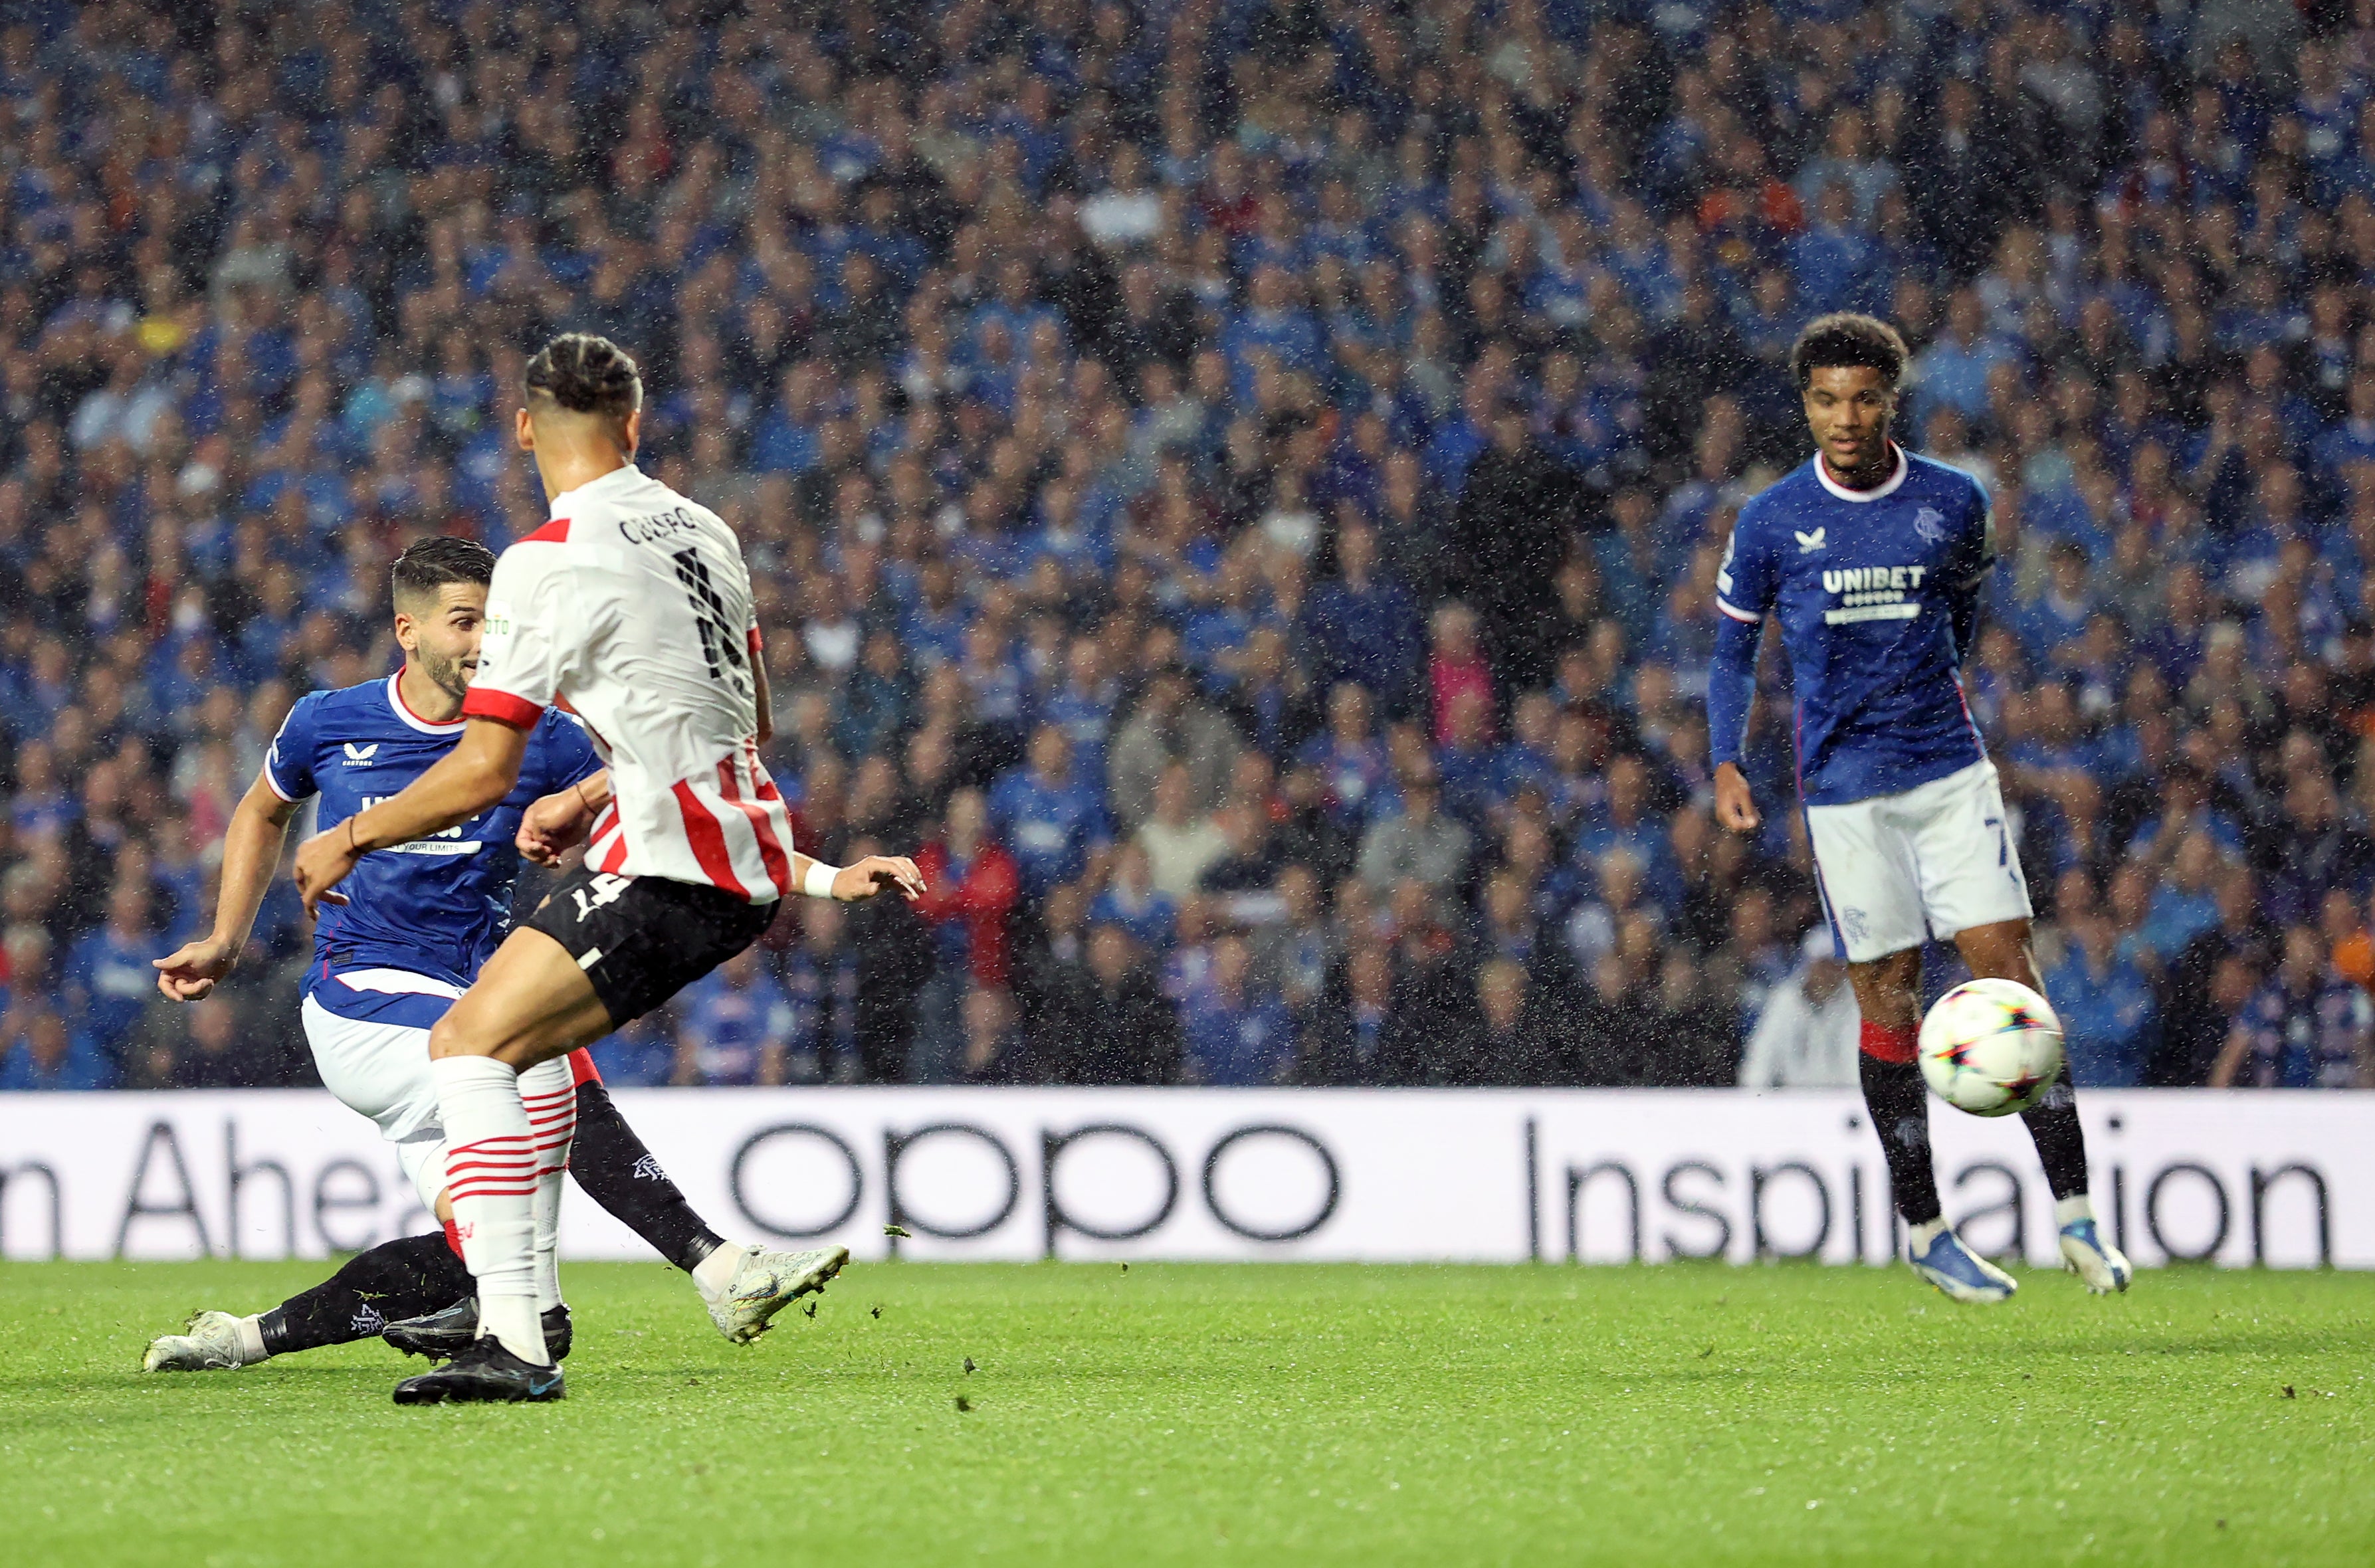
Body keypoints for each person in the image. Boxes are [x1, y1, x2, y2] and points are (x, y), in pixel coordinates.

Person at [291, 334, 922, 1403]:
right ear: (635, 425)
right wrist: (589, 793)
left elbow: (483, 767)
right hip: (737, 865)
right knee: (527, 1062)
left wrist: (349, 834)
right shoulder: (705, 530)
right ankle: (623, 1292)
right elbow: (746, 719)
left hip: (664, 870)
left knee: (468, 1045)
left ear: (527, 428)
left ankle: (518, 1339)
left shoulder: (545, 558)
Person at [144, 532, 851, 1377]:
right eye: (463, 621)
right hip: (361, 1001)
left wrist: (827, 877)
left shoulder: (538, 737)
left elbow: (673, 779)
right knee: (536, 1062)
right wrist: (227, 937)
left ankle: (250, 1336)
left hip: (469, 999)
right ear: (407, 629)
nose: (485, 641)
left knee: (477, 1247)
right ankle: (710, 1269)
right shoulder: (328, 720)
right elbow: (262, 810)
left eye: (497, 622)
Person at [1706, 313, 2130, 1302]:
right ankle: (1924, 1229)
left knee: (2010, 978)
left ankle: (2075, 1219)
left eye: (1860, 398)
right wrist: (1726, 761)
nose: (1842, 418)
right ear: (1804, 404)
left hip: (1946, 777)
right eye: (1823, 400)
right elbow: (1732, 654)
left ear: (1890, 400)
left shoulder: (1952, 501)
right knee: (1888, 998)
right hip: (1845, 796)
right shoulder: (1770, 520)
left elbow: (1964, 617)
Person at [1736, 928, 1862, 1090]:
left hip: (1842, 1096)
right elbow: (1762, 1056)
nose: (1829, 973)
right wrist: (1752, 1097)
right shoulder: (1785, 1001)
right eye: (1824, 965)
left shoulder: (1855, 1003)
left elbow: (1857, 1062)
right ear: (1810, 965)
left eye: (1836, 966)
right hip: (1796, 1100)